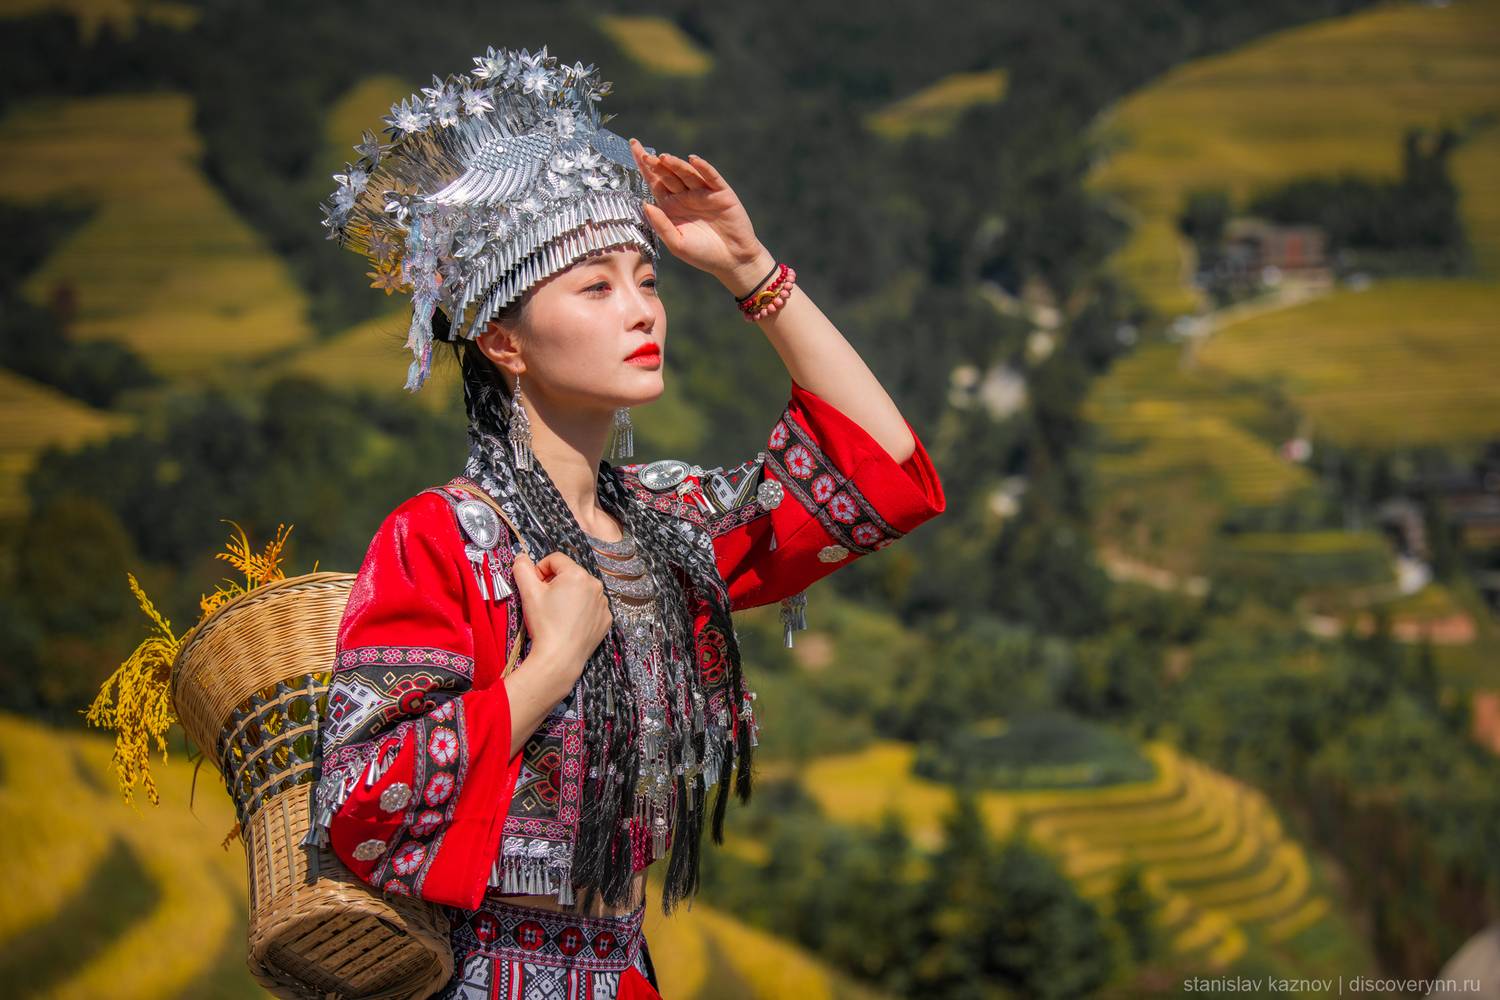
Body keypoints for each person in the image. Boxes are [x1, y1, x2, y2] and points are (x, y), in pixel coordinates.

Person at [302, 45, 946, 999]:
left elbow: (880, 472)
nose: (644, 311)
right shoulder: (445, 539)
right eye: (596, 288)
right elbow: (360, 804)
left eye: (647, 281)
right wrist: (551, 666)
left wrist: (751, 271)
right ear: (503, 339)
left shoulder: (669, 530)